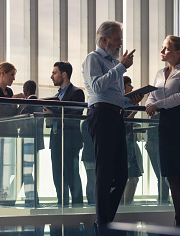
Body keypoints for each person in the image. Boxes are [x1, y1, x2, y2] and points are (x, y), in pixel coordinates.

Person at [82, 20, 143, 224]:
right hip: (101, 115)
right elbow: (97, 87)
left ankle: (107, 217)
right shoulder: (93, 58)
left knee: (122, 172)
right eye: (117, 39)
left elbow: (114, 96)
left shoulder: (115, 65)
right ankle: (103, 220)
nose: (120, 44)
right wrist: (121, 68)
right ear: (104, 40)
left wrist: (129, 100)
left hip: (115, 115)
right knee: (105, 170)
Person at [145, 35, 180, 228]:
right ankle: (178, 217)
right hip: (165, 122)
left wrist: (158, 104)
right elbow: (152, 95)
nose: (162, 51)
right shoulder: (159, 73)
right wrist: (151, 104)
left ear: (179, 52)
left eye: (165, 48)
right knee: (171, 173)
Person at [44, 61, 85, 206]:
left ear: (64, 74)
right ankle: (62, 206)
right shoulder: (57, 96)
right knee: (58, 176)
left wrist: (54, 117)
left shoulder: (77, 93)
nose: (51, 76)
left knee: (72, 176)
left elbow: (74, 118)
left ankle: (77, 209)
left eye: (54, 73)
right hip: (56, 140)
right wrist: (49, 121)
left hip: (70, 141)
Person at [0, 62, 25, 205]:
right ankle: (4, 200)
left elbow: (11, 114)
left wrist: (20, 106)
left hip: (11, 135)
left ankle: (8, 198)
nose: (13, 78)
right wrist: (13, 101)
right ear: (2, 74)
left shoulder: (8, 92)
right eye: (12, 75)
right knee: (1, 171)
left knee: (13, 170)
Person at [17, 80, 45, 206]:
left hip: (27, 142)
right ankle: (32, 198)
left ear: (26, 90)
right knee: (27, 171)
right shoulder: (40, 104)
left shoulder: (27, 105)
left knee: (26, 172)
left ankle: (32, 199)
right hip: (36, 142)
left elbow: (19, 122)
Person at [121, 76, 144, 205]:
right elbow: (124, 123)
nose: (132, 87)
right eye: (129, 84)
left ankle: (126, 204)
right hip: (125, 144)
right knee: (131, 177)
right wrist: (134, 110)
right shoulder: (121, 102)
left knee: (132, 176)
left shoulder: (129, 102)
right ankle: (126, 205)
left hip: (130, 142)